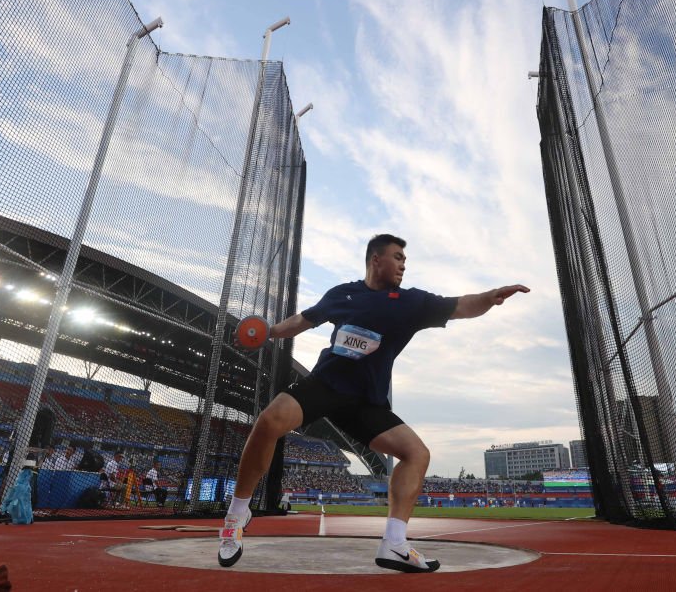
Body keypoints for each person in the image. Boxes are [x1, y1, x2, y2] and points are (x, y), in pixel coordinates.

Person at [218, 233, 528, 572]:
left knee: (417, 454)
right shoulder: (342, 294)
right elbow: (303, 321)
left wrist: (491, 296)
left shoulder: (411, 302)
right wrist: (268, 332)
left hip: (366, 402)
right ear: (375, 259)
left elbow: (460, 305)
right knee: (269, 420)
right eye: (397, 258)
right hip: (327, 384)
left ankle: (394, 544)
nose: (403, 265)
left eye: (405, 261)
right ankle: (237, 514)